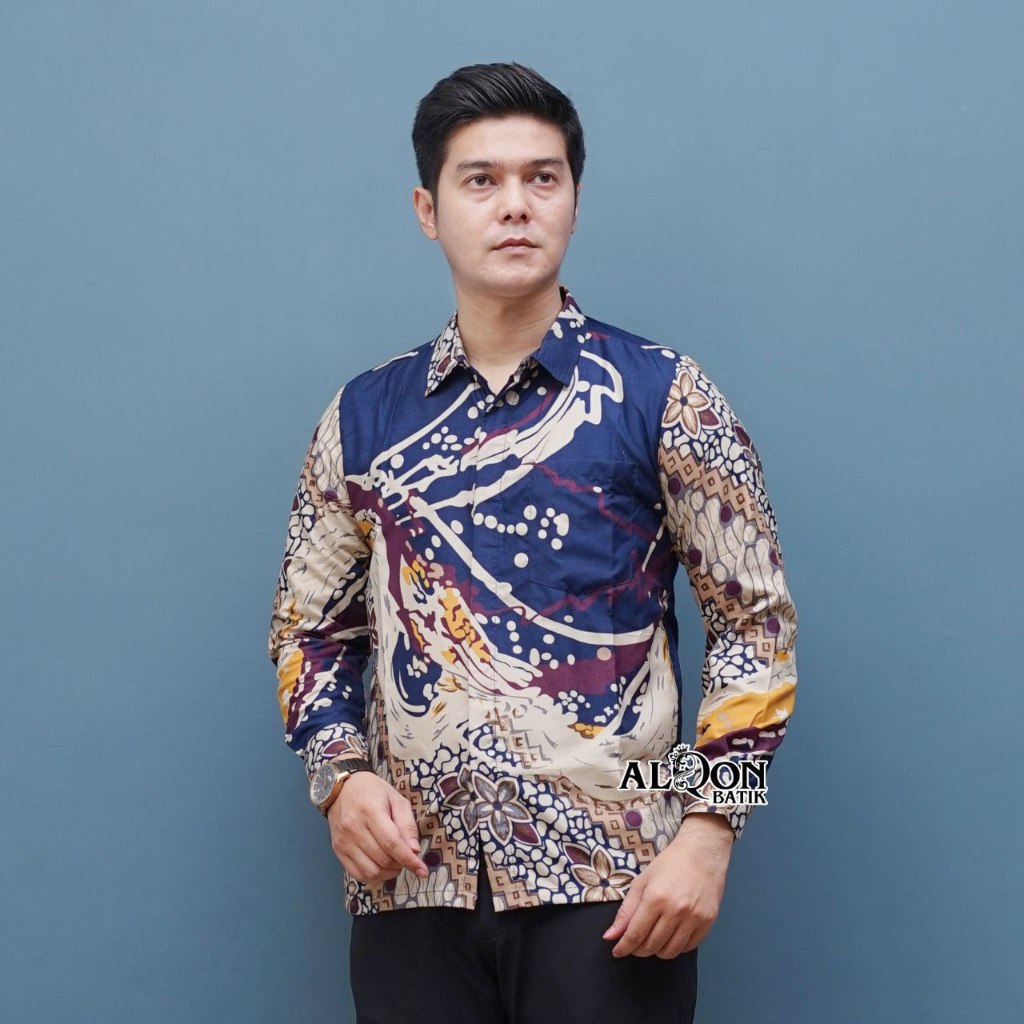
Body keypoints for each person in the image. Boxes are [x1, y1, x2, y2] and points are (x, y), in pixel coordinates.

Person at [267, 61, 798, 1024]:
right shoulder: (362, 417)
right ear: (428, 211)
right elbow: (308, 632)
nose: (515, 204)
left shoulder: (665, 395)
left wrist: (708, 831)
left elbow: (753, 627)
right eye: (482, 180)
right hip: (412, 887)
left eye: (541, 178)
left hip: (616, 889)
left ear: (574, 202)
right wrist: (341, 780)